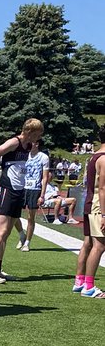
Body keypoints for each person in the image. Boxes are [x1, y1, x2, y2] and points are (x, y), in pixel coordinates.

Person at [0, 118, 44, 284]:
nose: (38, 138)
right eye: (37, 134)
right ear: (29, 132)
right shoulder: (13, 142)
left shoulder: (29, 146)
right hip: (7, 190)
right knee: (1, 232)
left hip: (18, 191)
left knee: (7, 233)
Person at [76, 127, 105, 298]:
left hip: (90, 204)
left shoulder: (94, 156)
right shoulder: (104, 159)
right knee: (99, 245)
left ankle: (80, 281)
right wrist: (104, 214)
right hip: (97, 206)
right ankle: (89, 286)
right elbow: (102, 188)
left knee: (88, 244)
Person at [14, 142, 50, 252]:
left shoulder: (43, 157)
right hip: (22, 187)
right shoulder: (24, 155)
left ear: (37, 144)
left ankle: (27, 242)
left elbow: (45, 177)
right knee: (14, 214)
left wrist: (42, 195)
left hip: (35, 189)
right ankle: (21, 234)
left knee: (31, 217)